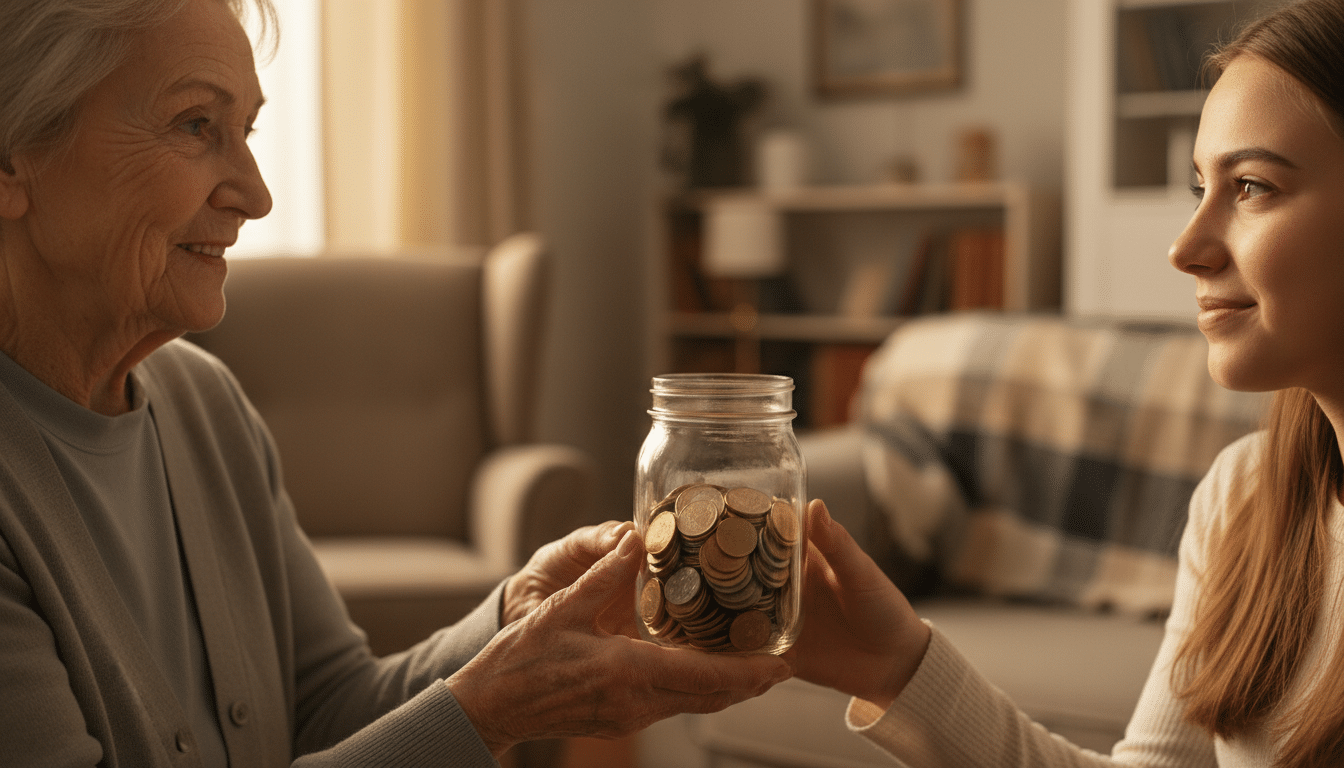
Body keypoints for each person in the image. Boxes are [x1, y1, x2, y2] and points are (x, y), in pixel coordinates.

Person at [0, 0, 791, 765]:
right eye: (196, 125)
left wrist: (506, 625)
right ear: (11, 157)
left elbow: (328, 706)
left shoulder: (203, 404)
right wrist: (493, 710)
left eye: (246, 131)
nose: (256, 195)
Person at [788, 1, 1344, 765]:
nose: (1186, 247)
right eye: (1198, 189)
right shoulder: (1245, 499)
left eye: (1251, 186)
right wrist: (896, 667)